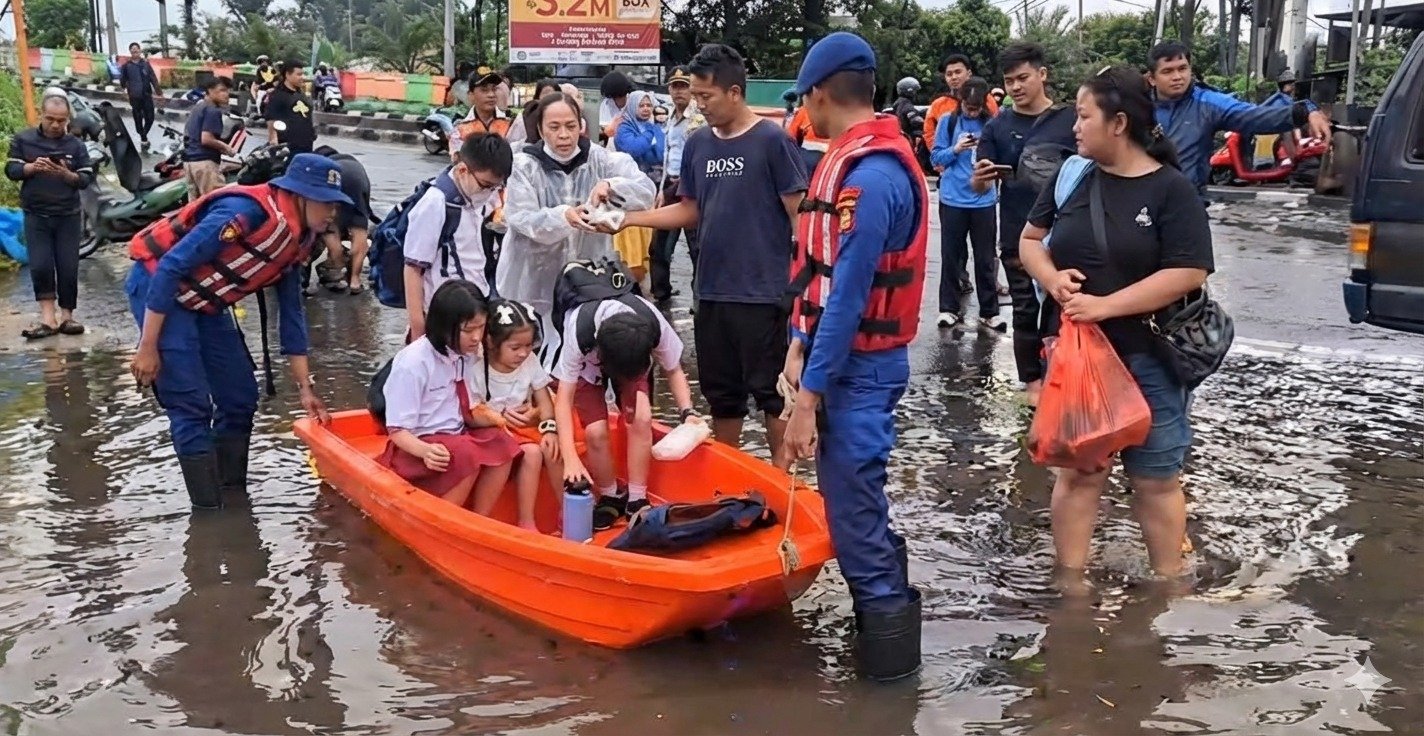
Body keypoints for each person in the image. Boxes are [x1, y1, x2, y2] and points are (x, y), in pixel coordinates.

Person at [1018, 65, 1214, 581]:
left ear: (1119, 123)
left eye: (1084, 116)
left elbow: (1189, 270)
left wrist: (1107, 305)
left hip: (1150, 359)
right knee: (1080, 475)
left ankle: (1168, 586)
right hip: (1082, 361)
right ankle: (1071, 587)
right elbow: (1029, 241)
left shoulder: (1172, 190)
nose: (1075, 127)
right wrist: (1054, 279)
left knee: (1156, 480)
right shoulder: (1074, 177)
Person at [780, 31, 928, 682]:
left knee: (857, 523)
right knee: (859, 512)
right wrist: (796, 345)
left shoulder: (870, 179)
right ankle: (884, 643)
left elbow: (846, 298)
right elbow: (818, 285)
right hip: (838, 364)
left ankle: (891, 689)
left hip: (859, 375)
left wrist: (808, 398)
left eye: (803, 100)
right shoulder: (851, 165)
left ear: (817, 94)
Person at [611, 44, 808, 468]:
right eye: (696, 97)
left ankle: (781, 483)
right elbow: (690, 209)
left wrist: (802, 287)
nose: (698, 105)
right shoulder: (700, 144)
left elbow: (800, 217)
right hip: (713, 289)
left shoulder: (773, 141)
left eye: (706, 96)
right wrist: (629, 218)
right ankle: (728, 478)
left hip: (763, 293)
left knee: (772, 394)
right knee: (721, 395)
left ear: (735, 92)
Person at [125, 153, 348, 510]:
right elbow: (170, 267)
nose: (332, 213)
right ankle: (209, 514)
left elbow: (292, 316)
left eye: (336, 204)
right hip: (159, 291)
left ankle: (233, 497)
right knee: (191, 404)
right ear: (300, 195)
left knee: (240, 396)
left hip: (206, 302)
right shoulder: (241, 213)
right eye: (326, 203)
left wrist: (306, 388)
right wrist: (147, 347)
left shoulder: (300, 240)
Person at [497, 92, 656, 363]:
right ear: (540, 129)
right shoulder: (524, 165)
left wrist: (612, 186)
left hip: (587, 281)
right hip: (534, 282)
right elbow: (522, 218)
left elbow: (646, 191)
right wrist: (564, 216)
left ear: (581, 125)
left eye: (570, 126)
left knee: (581, 357)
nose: (563, 135)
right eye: (554, 127)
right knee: (530, 355)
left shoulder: (601, 160)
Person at [971, 42, 1078, 406]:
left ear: (1042, 75)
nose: (1016, 86)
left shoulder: (1070, 121)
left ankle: (1067, 378)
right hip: (1017, 233)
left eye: (1023, 78)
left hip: (1066, 234)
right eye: (1009, 80)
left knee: (1067, 307)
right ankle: (1032, 386)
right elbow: (979, 183)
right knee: (1024, 310)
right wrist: (982, 177)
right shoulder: (997, 127)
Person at [552, 299, 700, 529]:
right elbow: (563, 398)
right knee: (595, 431)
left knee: (642, 417)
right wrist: (570, 457)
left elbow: (674, 369)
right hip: (588, 364)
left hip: (629, 358)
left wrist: (687, 412)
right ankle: (610, 495)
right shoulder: (578, 331)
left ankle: (637, 497)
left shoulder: (651, 325)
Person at [379, 280, 521, 512]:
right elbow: (396, 431)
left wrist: (497, 418)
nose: (476, 337)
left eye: (481, 327)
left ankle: (480, 517)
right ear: (443, 327)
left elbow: (468, 405)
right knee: (466, 454)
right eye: (468, 330)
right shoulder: (413, 363)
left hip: (456, 436)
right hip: (418, 447)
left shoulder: (465, 353)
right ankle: (446, 517)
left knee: (502, 442)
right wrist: (425, 451)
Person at [1148, 41, 1330, 193]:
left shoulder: (1208, 103)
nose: (1177, 76)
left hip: (1187, 205)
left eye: (1182, 68)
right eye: (1168, 71)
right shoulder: (1137, 107)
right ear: (1152, 78)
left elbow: (1254, 116)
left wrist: (1305, 111)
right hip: (1140, 205)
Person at [404, 134, 514, 337]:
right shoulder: (435, 204)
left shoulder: (477, 197)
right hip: (442, 315)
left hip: (475, 307)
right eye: (486, 185)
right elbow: (413, 269)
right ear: (463, 170)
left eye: (496, 187)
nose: (490, 192)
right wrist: (418, 331)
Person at [5, 93, 95, 340]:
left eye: (61, 120)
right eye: (51, 119)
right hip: (36, 214)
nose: (56, 125)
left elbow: (86, 178)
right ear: (41, 114)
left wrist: (66, 174)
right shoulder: (24, 139)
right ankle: (48, 317)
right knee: (41, 264)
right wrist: (31, 168)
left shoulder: (75, 145)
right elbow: (11, 170)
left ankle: (68, 316)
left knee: (68, 266)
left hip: (67, 214)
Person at [477, 299, 561, 531]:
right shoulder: (478, 365)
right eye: (515, 348)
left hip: (522, 429)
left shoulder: (530, 361)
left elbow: (545, 402)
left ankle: (553, 512)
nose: (523, 353)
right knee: (531, 452)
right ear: (492, 342)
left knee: (547, 447)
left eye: (528, 346)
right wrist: (496, 418)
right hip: (491, 431)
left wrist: (549, 428)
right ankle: (512, 520)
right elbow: (471, 409)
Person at [930, 77, 1001, 331]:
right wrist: (956, 148)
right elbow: (935, 157)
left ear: (983, 104)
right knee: (951, 256)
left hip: (984, 200)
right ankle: (948, 309)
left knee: (984, 258)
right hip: (953, 199)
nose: (971, 111)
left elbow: (1001, 157)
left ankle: (989, 312)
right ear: (961, 102)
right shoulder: (948, 122)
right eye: (967, 106)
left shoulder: (992, 123)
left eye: (975, 107)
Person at [649, 66, 705, 302]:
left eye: (683, 86)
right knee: (659, 245)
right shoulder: (671, 118)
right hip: (670, 185)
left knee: (696, 247)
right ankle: (661, 292)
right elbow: (667, 155)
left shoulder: (699, 118)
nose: (679, 92)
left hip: (691, 187)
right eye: (675, 86)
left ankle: (699, 298)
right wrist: (662, 189)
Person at [612, 90, 665, 283]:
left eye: (648, 106)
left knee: (653, 239)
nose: (645, 109)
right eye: (641, 105)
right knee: (632, 238)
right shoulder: (624, 127)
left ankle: (652, 284)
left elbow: (660, 153)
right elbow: (633, 149)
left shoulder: (655, 128)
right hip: (631, 193)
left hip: (655, 187)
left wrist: (649, 138)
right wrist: (649, 135)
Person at [311, 145, 377, 294]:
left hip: (334, 181)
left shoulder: (327, 168)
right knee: (359, 230)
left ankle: (338, 261)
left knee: (330, 224)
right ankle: (355, 280)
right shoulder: (354, 164)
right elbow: (365, 206)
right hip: (357, 182)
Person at [923, 53, 1000, 150]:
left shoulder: (985, 98)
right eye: (949, 74)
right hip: (949, 160)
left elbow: (997, 127)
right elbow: (929, 134)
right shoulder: (938, 104)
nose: (954, 77)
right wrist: (940, 160)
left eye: (958, 72)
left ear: (969, 74)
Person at [182, 76, 237, 199]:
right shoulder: (213, 111)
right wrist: (226, 147)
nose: (226, 94)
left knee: (195, 206)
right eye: (222, 90)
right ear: (210, 91)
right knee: (216, 202)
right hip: (205, 163)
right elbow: (206, 139)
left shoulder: (199, 107)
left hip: (190, 162)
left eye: (228, 91)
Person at [453, 69, 512, 155]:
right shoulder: (460, 129)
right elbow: (458, 159)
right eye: (484, 90)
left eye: (494, 89)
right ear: (471, 95)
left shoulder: (510, 124)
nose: (491, 95)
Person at [266, 61, 317, 154]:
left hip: (306, 144)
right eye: (298, 74)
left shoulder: (301, 94)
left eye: (302, 74)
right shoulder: (278, 95)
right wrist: (274, 141)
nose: (302, 77)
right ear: (287, 75)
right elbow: (271, 120)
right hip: (287, 146)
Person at [120, 42, 161, 152]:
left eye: (136, 50)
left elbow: (153, 78)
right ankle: (142, 136)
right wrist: (125, 90)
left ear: (139, 51)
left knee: (150, 117)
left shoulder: (146, 64)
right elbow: (122, 81)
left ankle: (143, 133)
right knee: (137, 118)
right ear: (130, 52)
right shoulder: (126, 66)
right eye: (132, 50)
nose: (135, 51)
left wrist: (159, 92)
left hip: (147, 95)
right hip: (134, 96)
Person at [508, 78, 560, 147]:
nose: (549, 98)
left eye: (553, 94)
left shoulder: (565, 114)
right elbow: (512, 142)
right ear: (538, 96)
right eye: (545, 93)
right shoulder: (525, 116)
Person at [785, 101, 830, 174]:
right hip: (833, 154)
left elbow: (791, 136)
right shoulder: (841, 109)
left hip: (809, 155)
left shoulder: (806, 109)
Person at [597, 71, 635, 143]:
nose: (614, 100)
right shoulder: (606, 103)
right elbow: (603, 126)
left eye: (617, 97)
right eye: (611, 97)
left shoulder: (635, 102)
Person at [891, 77, 925, 142]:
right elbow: (916, 121)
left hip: (902, 139)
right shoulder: (907, 106)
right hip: (910, 140)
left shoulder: (898, 104)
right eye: (915, 91)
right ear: (910, 91)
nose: (916, 93)